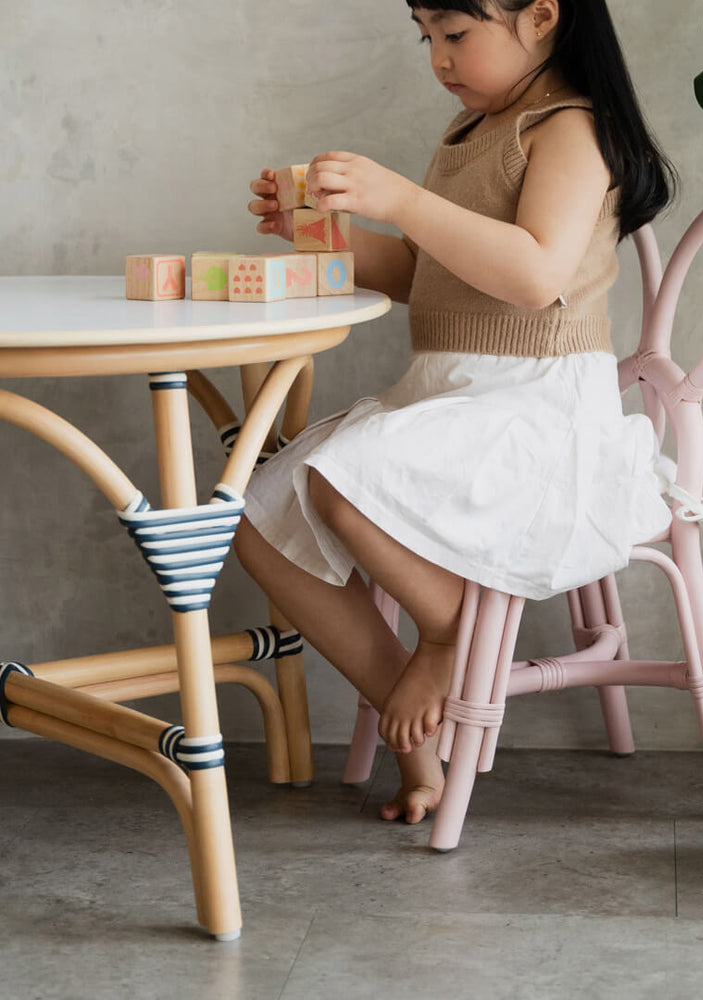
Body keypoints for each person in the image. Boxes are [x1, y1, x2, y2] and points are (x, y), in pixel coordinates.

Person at [237, 0, 677, 824]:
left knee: (340, 480)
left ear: (541, 16)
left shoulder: (568, 129)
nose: (439, 58)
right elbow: (420, 272)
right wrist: (321, 233)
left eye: (456, 35)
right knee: (263, 528)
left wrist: (399, 197)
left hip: (536, 407)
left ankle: (446, 636)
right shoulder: (467, 134)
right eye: (427, 38)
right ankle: (424, 755)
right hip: (448, 394)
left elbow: (535, 273)